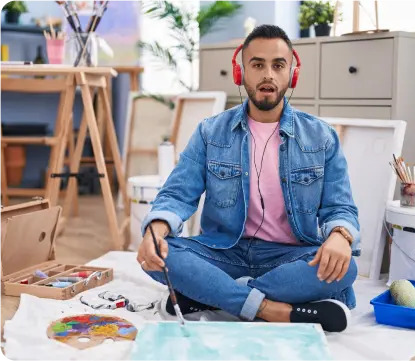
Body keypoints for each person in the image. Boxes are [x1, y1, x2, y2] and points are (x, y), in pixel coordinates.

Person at [137, 24, 360, 332]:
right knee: (163, 254)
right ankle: (271, 309)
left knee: (347, 268)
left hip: (288, 257)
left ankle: (213, 295)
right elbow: (177, 195)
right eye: (257, 65)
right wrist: (157, 230)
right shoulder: (209, 132)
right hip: (223, 251)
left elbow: (341, 208)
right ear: (241, 73)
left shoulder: (322, 137)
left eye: (278, 65)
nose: (268, 74)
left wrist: (340, 236)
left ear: (291, 74)